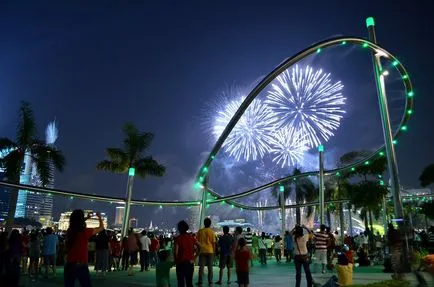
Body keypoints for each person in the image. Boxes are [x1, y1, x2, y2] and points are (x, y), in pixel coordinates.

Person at [64, 210, 104, 287]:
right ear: (81, 219)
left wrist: (87, 218)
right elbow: (101, 228)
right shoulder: (85, 232)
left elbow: (76, 224)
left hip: (69, 264)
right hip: (81, 265)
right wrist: (99, 217)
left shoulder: (70, 231)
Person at [174, 220, 200, 287]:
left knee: (181, 282)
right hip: (190, 262)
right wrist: (195, 257)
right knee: (189, 282)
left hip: (181, 263)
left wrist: (176, 261)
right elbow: (199, 246)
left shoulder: (178, 239)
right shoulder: (192, 237)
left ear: (179, 228)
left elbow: (176, 253)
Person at [196, 217, 216, 285]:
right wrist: (214, 252)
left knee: (201, 267)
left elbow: (197, 242)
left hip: (202, 251)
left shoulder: (200, 231)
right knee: (210, 268)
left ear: (204, 223)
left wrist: (198, 251)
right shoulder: (212, 232)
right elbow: (213, 243)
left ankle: (200, 281)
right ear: (210, 224)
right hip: (210, 251)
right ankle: (210, 281)